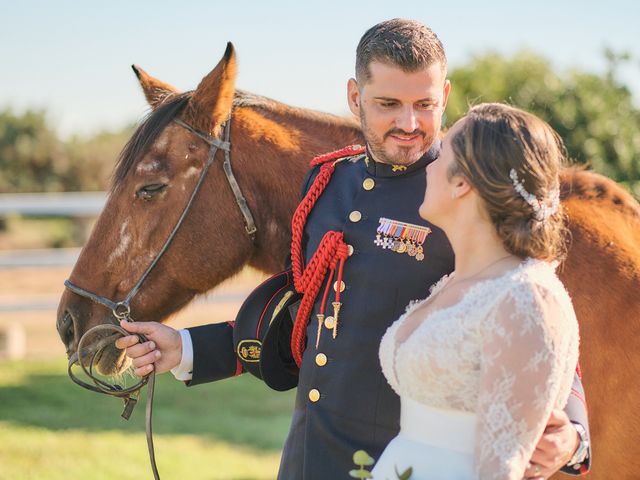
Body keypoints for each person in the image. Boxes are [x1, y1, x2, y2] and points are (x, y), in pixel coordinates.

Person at [115, 19, 591, 479]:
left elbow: (535, 314)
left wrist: (573, 433)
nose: (409, 123)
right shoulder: (328, 182)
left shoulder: (468, 195)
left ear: (444, 96)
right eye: (388, 103)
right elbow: (303, 315)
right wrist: (188, 348)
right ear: (354, 97)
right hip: (309, 456)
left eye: (424, 104)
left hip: (405, 462)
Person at [372, 103, 580, 479]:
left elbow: (501, 468)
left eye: (442, 153)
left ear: (461, 182)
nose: (429, 163)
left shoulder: (526, 297)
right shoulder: (453, 283)